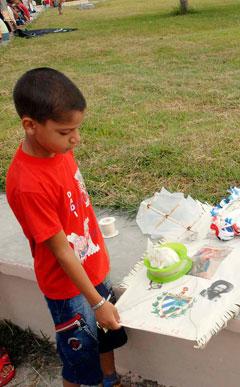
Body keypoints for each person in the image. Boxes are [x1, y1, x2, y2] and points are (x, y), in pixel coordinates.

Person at [5, 68, 127, 387]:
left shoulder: (59, 150)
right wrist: (97, 303)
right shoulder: (27, 184)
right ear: (30, 126)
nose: (75, 139)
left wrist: (100, 295)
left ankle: (111, 380)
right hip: (69, 290)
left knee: (106, 338)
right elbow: (60, 251)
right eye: (65, 131)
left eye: (77, 128)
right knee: (80, 361)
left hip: (94, 268)